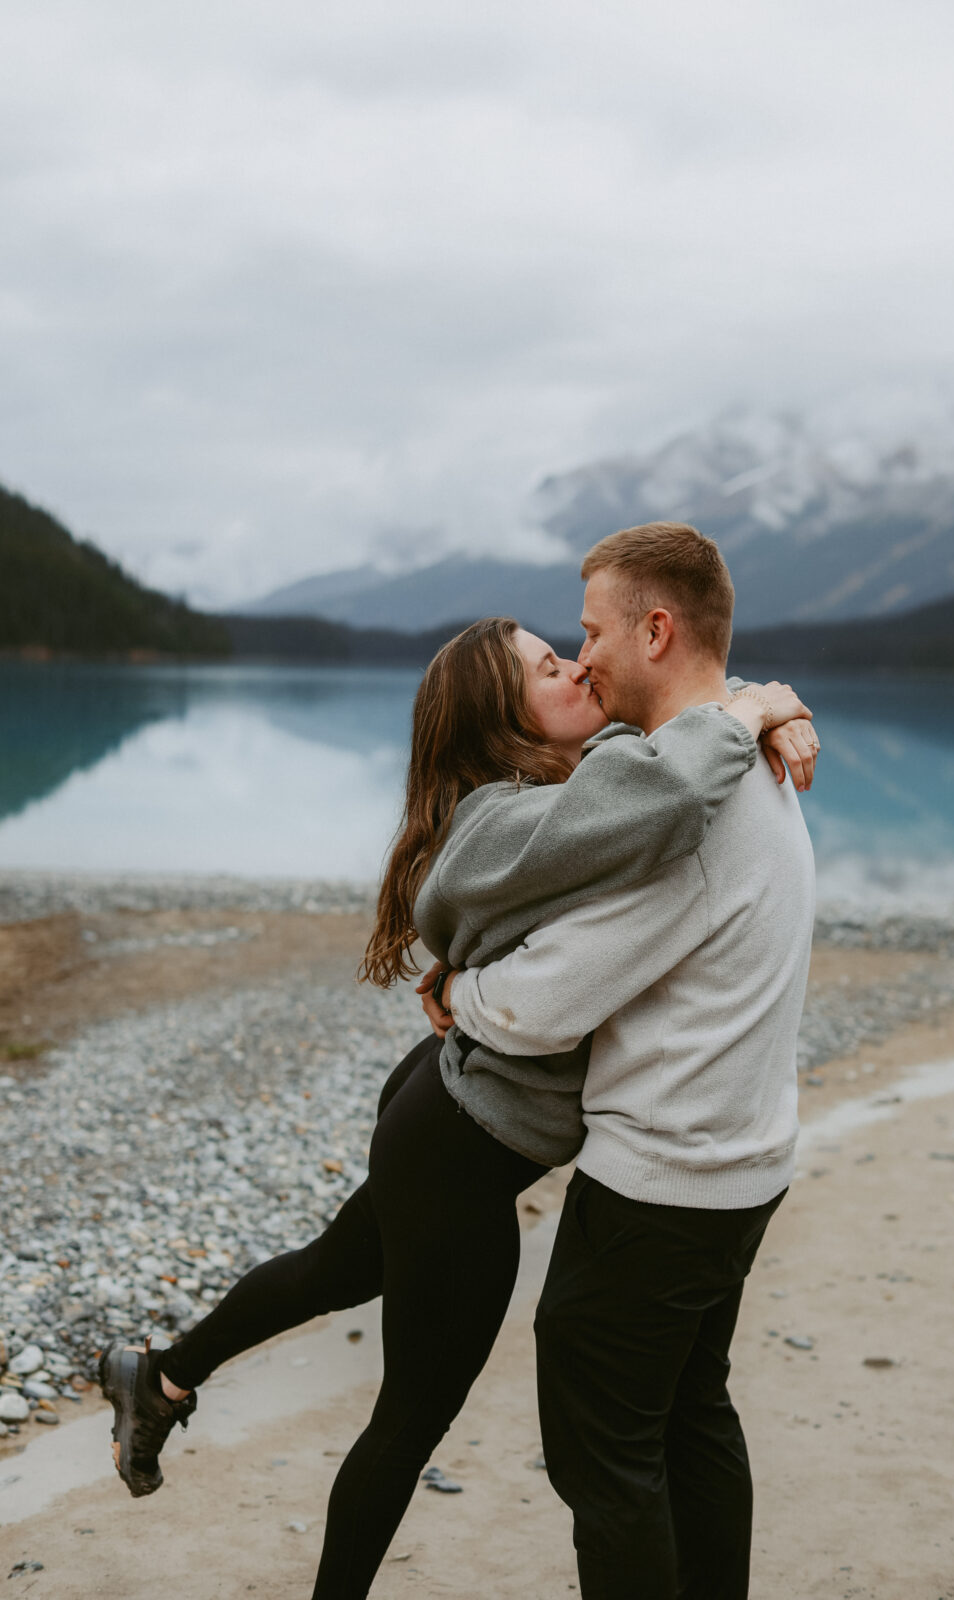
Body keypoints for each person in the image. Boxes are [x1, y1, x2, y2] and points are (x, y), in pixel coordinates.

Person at [99, 603, 817, 1598]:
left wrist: (762, 700)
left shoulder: (584, 773)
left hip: (442, 1101)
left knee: (332, 1268)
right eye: (547, 667)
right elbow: (659, 788)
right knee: (409, 1417)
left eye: (570, 652)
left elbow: (668, 734)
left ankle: (163, 1377)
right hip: (460, 1144)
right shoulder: (506, 814)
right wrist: (749, 714)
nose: (576, 670)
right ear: (500, 717)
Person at [427, 522, 817, 1600]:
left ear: (655, 628)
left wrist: (456, 991)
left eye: (592, 632)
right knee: (693, 1418)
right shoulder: (741, 762)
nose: (582, 654)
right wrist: (766, 701)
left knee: (604, 1463)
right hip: (742, 1163)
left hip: (661, 1185)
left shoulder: (688, 810)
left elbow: (542, 1005)